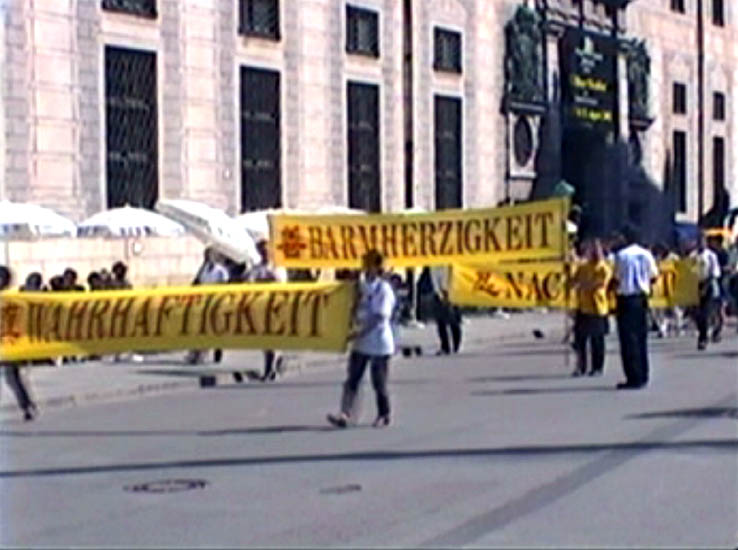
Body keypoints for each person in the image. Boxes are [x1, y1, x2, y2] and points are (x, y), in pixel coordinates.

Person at [327, 250, 395, 428]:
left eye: (368, 263)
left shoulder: (383, 289)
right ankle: (345, 414)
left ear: (376, 267)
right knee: (352, 379)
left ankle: (384, 414)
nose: (364, 266)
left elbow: (380, 317)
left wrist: (360, 332)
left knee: (379, 382)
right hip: (361, 342)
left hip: (378, 341)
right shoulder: (360, 286)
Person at [611, 225, 659, 390]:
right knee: (641, 337)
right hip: (641, 298)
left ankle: (633, 376)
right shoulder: (646, 254)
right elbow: (654, 276)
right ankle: (643, 374)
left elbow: (617, 277)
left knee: (628, 339)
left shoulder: (621, 255)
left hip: (626, 298)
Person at [244, 239, 287, 380]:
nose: (265, 254)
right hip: (260, 308)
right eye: (262, 251)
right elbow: (248, 283)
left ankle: (272, 367)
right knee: (265, 341)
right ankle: (274, 364)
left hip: (275, 308)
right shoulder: (257, 269)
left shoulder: (277, 267)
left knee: (271, 340)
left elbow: (281, 284)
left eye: (267, 251)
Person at [0, 265, 39, 421]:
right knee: (12, 377)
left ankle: (27, 406)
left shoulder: (13, 298)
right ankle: (27, 405)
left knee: (12, 377)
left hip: (10, 344)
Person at [570, 239, 612, 377]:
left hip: (598, 307)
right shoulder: (583, 267)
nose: (594, 253)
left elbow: (600, 284)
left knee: (597, 339)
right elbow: (574, 280)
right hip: (583, 306)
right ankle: (581, 366)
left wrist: (584, 285)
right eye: (592, 250)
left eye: (597, 250)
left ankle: (597, 367)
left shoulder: (603, 268)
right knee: (580, 339)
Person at [186, 247, 230, 365]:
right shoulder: (203, 270)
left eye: (209, 256)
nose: (207, 258)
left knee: (216, 329)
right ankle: (199, 354)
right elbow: (196, 283)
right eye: (205, 256)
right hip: (203, 302)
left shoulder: (221, 271)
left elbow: (224, 286)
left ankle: (217, 351)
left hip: (216, 302)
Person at [692, 234, 721, 351]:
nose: (701, 244)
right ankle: (703, 331)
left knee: (705, 312)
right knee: (696, 314)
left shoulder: (711, 256)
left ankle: (703, 338)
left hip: (708, 285)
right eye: (699, 241)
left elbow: (714, 273)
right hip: (695, 285)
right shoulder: (693, 256)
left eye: (703, 241)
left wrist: (706, 287)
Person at [430, 265, 462, 355]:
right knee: (440, 321)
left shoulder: (450, 264)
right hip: (439, 293)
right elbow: (434, 278)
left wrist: (449, 292)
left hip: (452, 292)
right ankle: (445, 347)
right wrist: (439, 293)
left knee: (454, 320)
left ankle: (456, 345)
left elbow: (454, 276)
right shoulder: (433, 264)